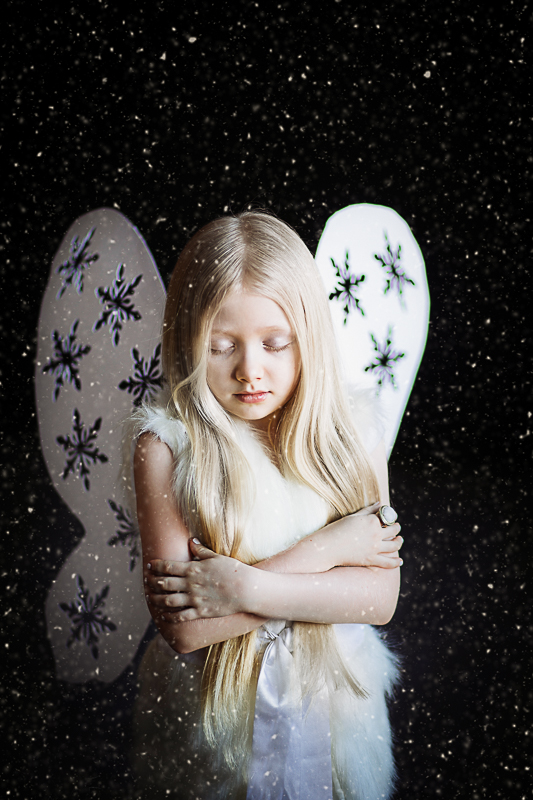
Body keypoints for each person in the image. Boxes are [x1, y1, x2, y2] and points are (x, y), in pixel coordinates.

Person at [130, 210, 403, 800]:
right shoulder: (166, 448)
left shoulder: (356, 435)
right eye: (221, 346)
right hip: (212, 730)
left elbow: (378, 599)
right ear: (187, 339)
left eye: (276, 343)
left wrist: (242, 589)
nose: (250, 370)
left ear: (309, 335)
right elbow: (186, 630)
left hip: (335, 722)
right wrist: (327, 551)